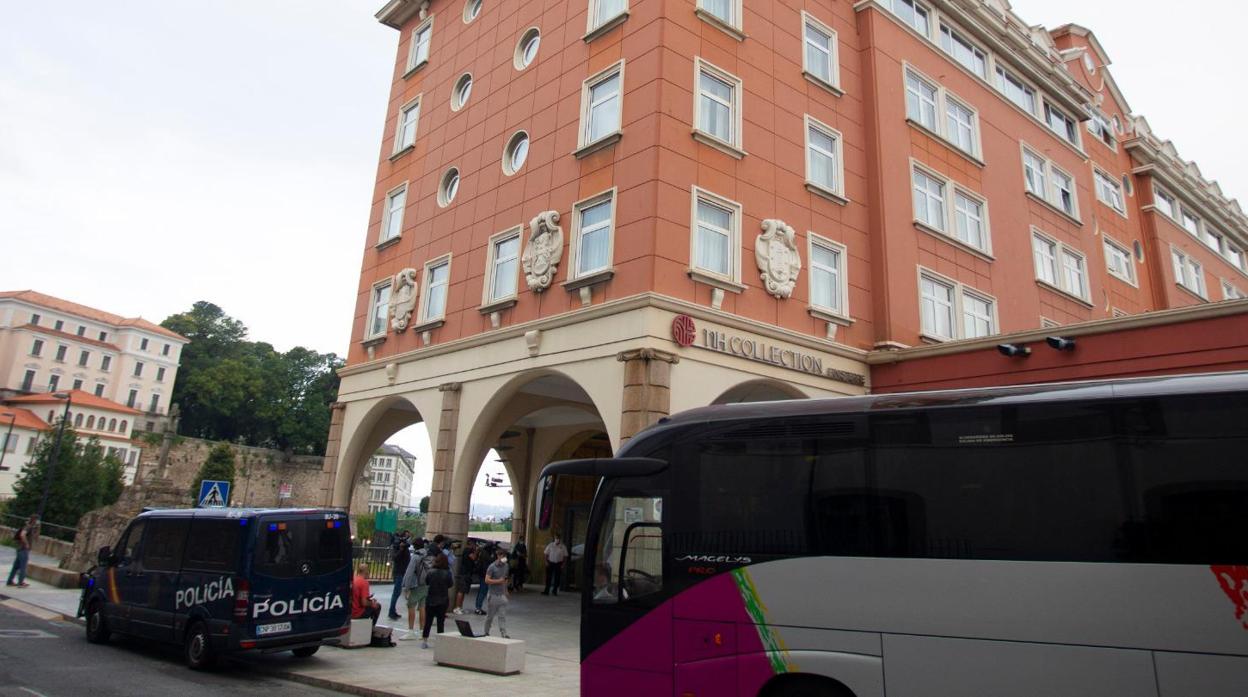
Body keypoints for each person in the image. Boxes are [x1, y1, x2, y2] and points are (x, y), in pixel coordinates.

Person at [400, 539, 432, 640]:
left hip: (416, 584)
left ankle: (410, 631)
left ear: (415, 546)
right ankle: (422, 631)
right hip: (426, 584)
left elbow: (409, 572)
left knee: (411, 606)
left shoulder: (415, 556)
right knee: (422, 607)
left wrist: (406, 587)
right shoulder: (428, 554)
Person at [421, 554, 454, 649]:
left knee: (428, 621)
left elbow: (427, 582)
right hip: (443, 599)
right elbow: (450, 584)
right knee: (440, 621)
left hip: (431, 599)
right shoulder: (447, 573)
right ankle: (440, 641)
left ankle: (424, 640)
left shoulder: (431, 572)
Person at [483, 547, 510, 638]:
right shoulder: (492, 567)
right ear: (498, 556)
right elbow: (487, 580)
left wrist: (506, 590)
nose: (504, 558)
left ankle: (503, 633)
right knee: (490, 616)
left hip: (501, 595)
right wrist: (498, 581)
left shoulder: (506, 566)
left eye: (505, 556)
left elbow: (505, 579)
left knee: (502, 615)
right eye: (502, 556)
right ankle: (486, 631)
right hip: (493, 594)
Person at [6, 514, 38, 588]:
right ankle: (21, 582)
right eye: (37, 521)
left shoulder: (30, 527)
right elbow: (22, 535)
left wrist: (38, 528)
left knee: (15, 566)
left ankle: (10, 581)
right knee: (23, 566)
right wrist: (26, 544)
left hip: (20, 548)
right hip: (23, 549)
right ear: (34, 520)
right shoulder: (28, 527)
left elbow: (36, 537)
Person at [388, 531, 412, 620]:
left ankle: (392, 611)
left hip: (402, 572)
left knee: (397, 593)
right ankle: (391, 612)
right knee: (396, 593)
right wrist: (401, 549)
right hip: (399, 573)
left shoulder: (405, 548)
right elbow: (395, 558)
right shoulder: (396, 547)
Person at [452, 541, 477, 615]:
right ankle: (457, 607)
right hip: (464, 573)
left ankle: (460, 607)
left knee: (464, 591)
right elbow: (474, 558)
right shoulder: (468, 550)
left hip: (466, 573)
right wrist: (476, 551)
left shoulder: (466, 550)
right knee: (461, 591)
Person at [473, 543, 492, 614]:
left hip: (482, 575)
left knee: (481, 591)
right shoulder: (487, 557)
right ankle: (478, 608)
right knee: (483, 591)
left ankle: (478, 606)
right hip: (485, 576)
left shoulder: (482, 555)